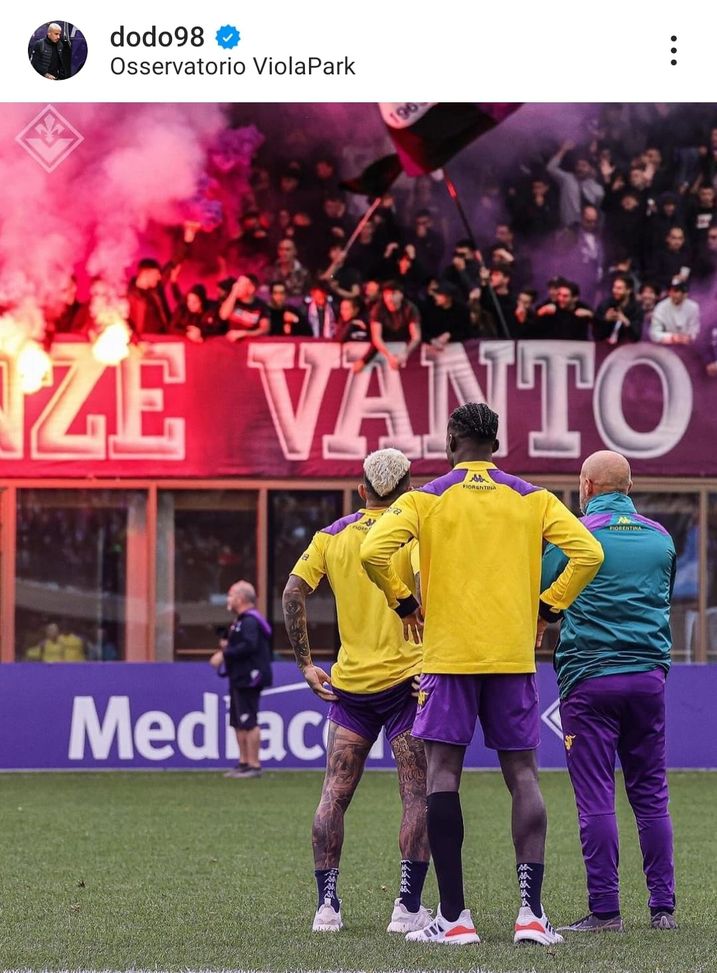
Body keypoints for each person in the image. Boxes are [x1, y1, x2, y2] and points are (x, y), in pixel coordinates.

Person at [360, 403, 604, 946]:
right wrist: (550, 607)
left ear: (452, 440)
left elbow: (373, 550)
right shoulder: (532, 496)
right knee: (524, 776)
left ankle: (455, 919)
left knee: (443, 776)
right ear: (496, 442)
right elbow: (588, 551)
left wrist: (404, 603)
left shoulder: (426, 497)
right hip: (512, 658)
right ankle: (531, 916)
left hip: (448, 659)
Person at [282, 449, 431, 936]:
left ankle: (327, 908)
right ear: (409, 487)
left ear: (363, 490)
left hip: (350, 688)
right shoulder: (414, 531)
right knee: (415, 797)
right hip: (407, 685)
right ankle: (407, 907)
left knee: (334, 794)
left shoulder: (332, 536)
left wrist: (306, 664)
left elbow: (292, 592)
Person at [541, 450, 677, 932]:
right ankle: (663, 908)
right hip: (647, 679)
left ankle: (605, 911)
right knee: (651, 793)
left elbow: (543, 590)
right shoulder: (662, 539)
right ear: (630, 486)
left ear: (588, 485)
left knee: (596, 795)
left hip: (591, 679)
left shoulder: (577, 535)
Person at [210, 581, 272, 779]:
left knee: (249, 720)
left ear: (241, 598)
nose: (228, 599)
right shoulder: (240, 621)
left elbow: (249, 645)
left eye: (230, 595)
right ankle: (243, 762)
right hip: (238, 677)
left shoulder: (250, 621)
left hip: (249, 677)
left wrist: (224, 654)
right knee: (238, 721)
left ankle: (254, 764)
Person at [649, 281, 701, 345]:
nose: (676, 294)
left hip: (687, 345)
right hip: (665, 346)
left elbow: (695, 330)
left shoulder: (693, 307)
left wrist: (687, 338)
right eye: (674, 291)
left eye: (679, 291)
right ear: (669, 292)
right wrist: (672, 337)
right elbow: (654, 333)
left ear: (685, 294)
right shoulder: (660, 307)